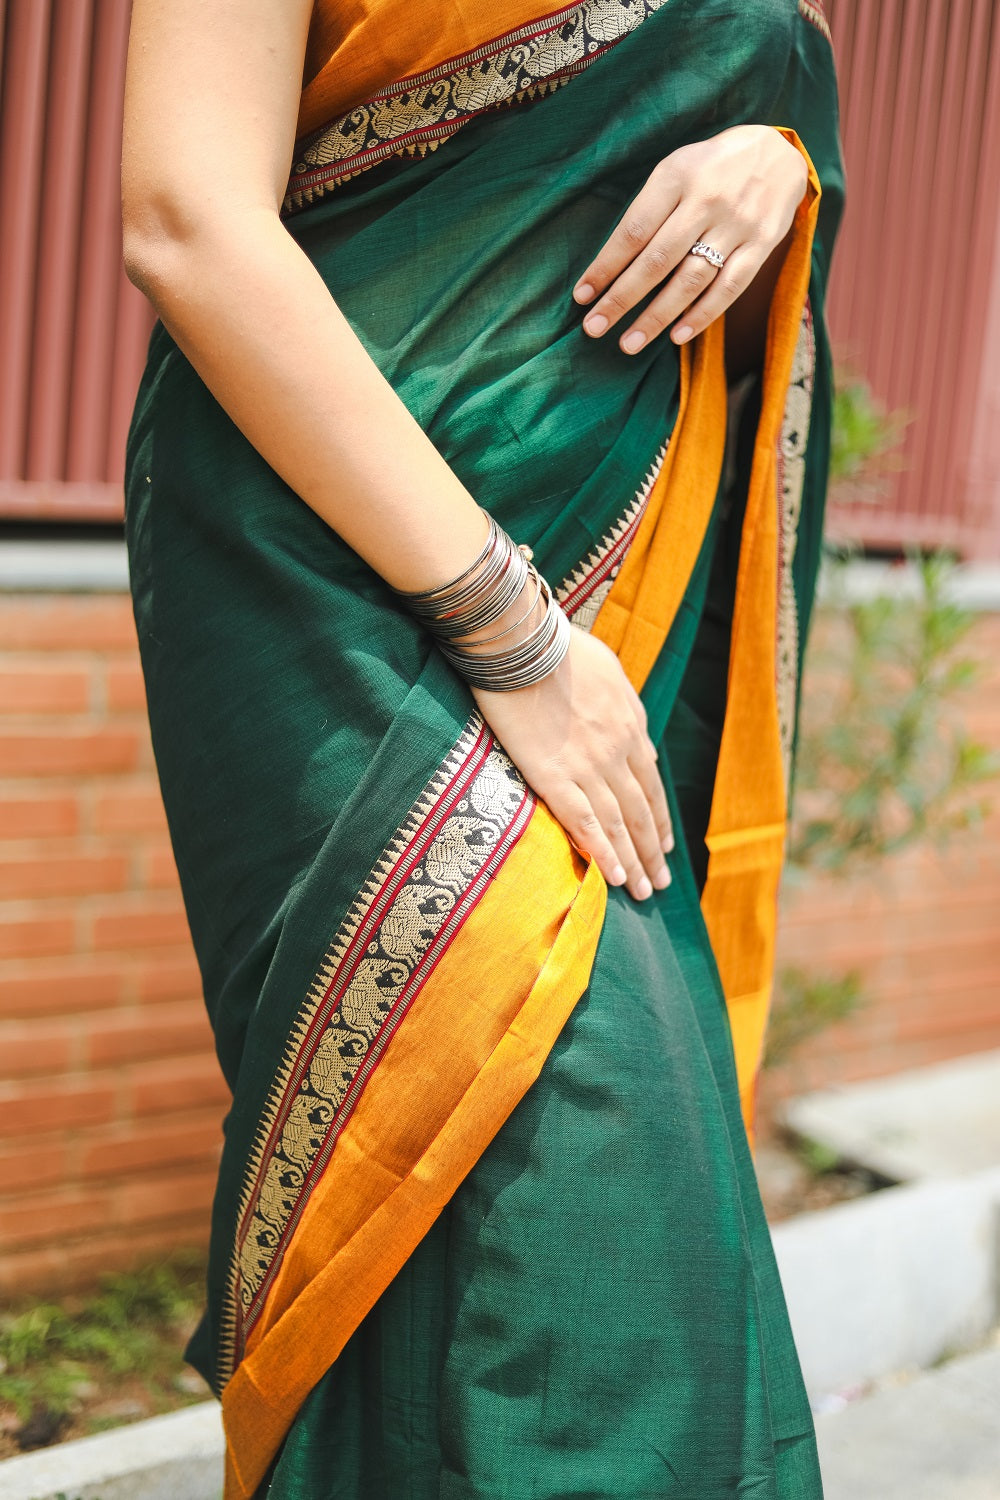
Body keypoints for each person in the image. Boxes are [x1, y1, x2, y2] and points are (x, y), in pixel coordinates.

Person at [121, 0, 844, 1495]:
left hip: (598, 589)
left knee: (609, 1219)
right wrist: (507, 631)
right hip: (332, 570)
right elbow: (187, 214)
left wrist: (777, 159)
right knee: (545, 1173)